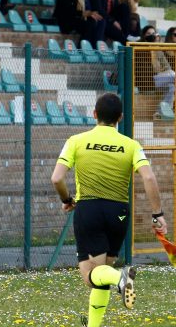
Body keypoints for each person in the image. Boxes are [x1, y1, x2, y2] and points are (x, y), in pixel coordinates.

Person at [51, 92, 168, 327]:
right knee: (101, 270)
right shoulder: (131, 145)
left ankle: (120, 278)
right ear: (121, 117)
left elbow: (57, 178)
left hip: (90, 209)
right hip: (119, 213)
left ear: (94, 114)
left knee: (90, 275)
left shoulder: (76, 140)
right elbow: (150, 178)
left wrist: (67, 199)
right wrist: (157, 214)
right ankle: (94, 323)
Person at [135, 25, 175, 118]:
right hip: (148, 80)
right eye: (148, 34)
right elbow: (151, 69)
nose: (151, 35)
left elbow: (167, 66)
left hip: (160, 78)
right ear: (143, 35)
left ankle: (158, 113)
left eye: (153, 33)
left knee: (172, 87)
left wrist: (156, 46)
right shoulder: (139, 47)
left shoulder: (157, 47)